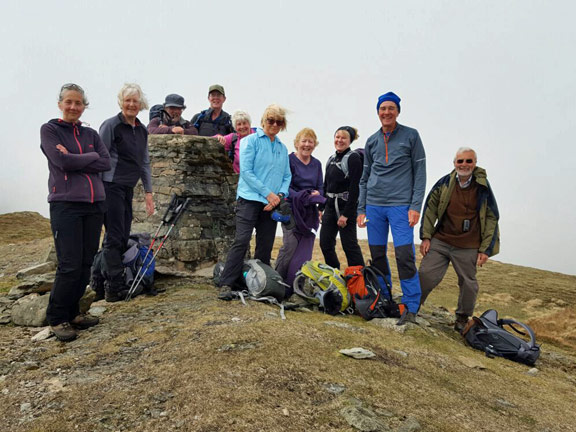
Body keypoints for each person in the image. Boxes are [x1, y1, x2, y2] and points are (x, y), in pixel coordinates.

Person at [40, 83, 110, 342]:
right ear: (60, 104)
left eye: (78, 103)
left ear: (84, 106)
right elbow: (61, 162)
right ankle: (57, 317)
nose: (73, 107)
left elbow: (105, 162)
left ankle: (74, 312)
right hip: (66, 204)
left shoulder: (90, 133)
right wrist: (89, 158)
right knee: (69, 264)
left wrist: (81, 157)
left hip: (94, 204)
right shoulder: (50, 130)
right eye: (68, 102)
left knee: (85, 262)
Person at [357, 92, 426, 325]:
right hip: (374, 206)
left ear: (398, 111)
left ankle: (411, 305)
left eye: (391, 108)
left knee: (404, 256)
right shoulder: (371, 141)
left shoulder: (411, 136)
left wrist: (416, 206)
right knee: (377, 256)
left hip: (400, 206)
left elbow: (420, 174)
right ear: (378, 112)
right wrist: (361, 209)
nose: (386, 112)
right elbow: (364, 178)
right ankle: (384, 298)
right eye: (382, 108)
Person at [419, 147, 500, 332]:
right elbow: (430, 208)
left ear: (475, 163)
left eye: (468, 161)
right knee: (425, 275)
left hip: (468, 245)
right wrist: (426, 236)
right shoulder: (445, 183)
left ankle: (462, 318)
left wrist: (485, 250)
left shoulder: (483, 187)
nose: (464, 165)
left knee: (469, 284)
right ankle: (411, 307)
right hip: (441, 240)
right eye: (460, 161)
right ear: (454, 163)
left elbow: (491, 217)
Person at [217, 104, 291, 300]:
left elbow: (286, 176)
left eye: (278, 121)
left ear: (282, 125)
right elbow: (247, 172)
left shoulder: (282, 148)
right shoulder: (250, 141)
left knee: (265, 245)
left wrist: (280, 197)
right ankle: (226, 283)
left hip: (272, 204)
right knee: (241, 240)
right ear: (263, 121)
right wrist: (269, 194)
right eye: (270, 120)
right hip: (249, 200)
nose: (274, 124)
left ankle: (260, 284)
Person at [99, 83, 155, 302]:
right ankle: (113, 288)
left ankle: (111, 279)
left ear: (141, 104)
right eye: (127, 100)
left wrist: (149, 192)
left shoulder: (141, 130)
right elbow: (100, 158)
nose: (131, 104)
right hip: (109, 186)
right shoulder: (111, 125)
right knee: (114, 236)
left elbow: (144, 162)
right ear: (120, 102)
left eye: (135, 101)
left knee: (123, 234)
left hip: (127, 188)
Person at [275, 128, 325, 292]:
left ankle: (296, 286)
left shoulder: (317, 164)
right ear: (297, 143)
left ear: (314, 145)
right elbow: (285, 185)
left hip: (309, 212)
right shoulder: (289, 160)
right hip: (290, 208)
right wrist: (302, 197)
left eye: (310, 141)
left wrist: (317, 195)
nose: (307, 144)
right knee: (290, 245)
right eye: (304, 141)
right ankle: (277, 282)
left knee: (304, 250)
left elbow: (320, 187)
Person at [319, 126, 365, 270]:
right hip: (330, 207)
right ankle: (335, 275)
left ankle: (359, 281)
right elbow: (326, 185)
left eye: (343, 138)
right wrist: (321, 208)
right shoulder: (331, 159)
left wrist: (346, 214)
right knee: (325, 243)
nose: (339, 140)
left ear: (350, 140)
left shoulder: (353, 158)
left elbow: (355, 187)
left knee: (349, 246)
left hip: (346, 208)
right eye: (337, 137)